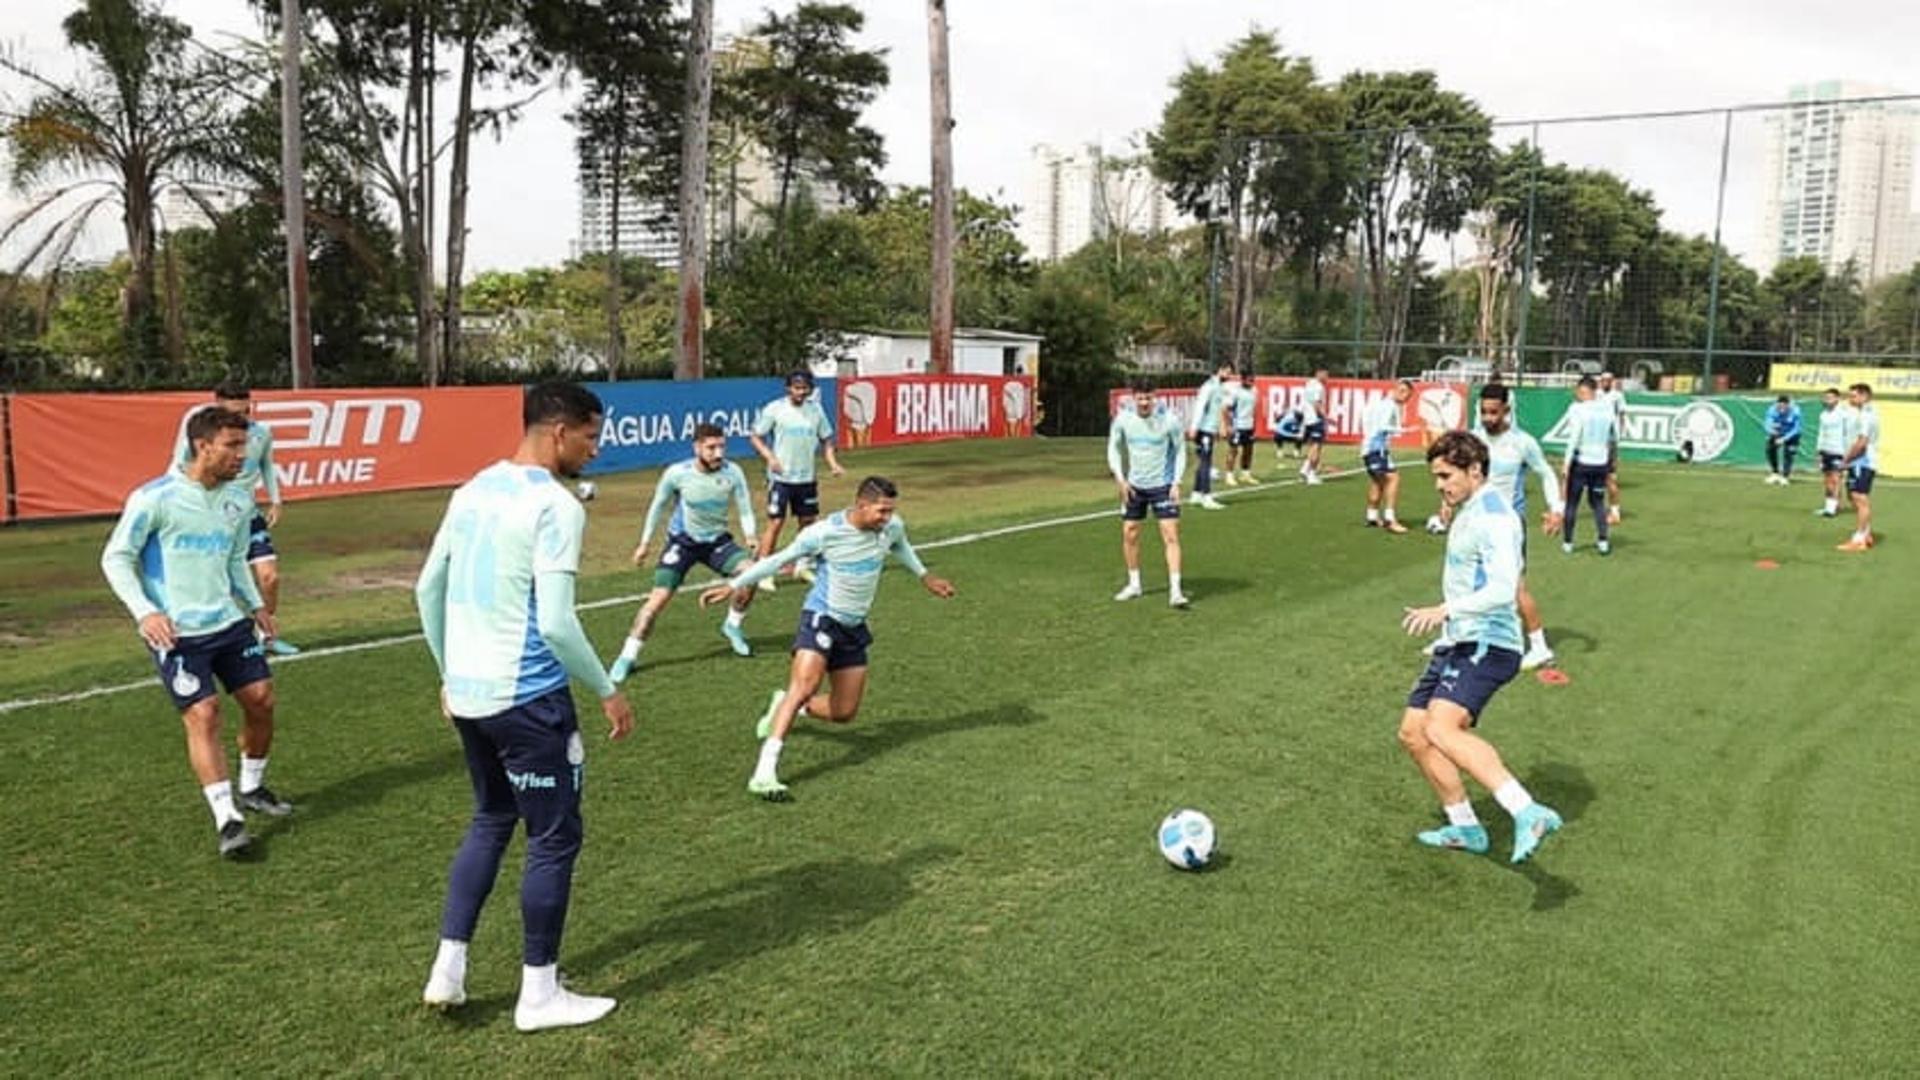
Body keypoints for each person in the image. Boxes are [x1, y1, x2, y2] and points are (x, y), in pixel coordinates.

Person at [415, 381, 635, 1032]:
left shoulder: (473, 489)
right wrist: (608, 688)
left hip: (472, 695)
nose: (595, 450)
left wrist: (448, 674)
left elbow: (428, 589)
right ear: (559, 431)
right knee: (555, 836)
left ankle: (448, 970)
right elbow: (560, 626)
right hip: (529, 699)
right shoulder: (557, 507)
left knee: (490, 818)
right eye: (591, 437)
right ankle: (538, 994)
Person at [102, 406, 286, 859]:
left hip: (228, 623)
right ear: (202, 446)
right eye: (233, 446)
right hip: (177, 634)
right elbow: (115, 558)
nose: (243, 456)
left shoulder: (239, 501)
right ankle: (228, 819)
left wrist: (257, 605)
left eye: (244, 445)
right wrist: (145, 612)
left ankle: (253, 787)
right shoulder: (154, 498)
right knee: (203, 714)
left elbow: (234, 558)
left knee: (261, 702)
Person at [699, 477, 955, 801]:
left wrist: (925, 576)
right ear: (861, 505)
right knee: (804, 685)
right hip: (821, 617)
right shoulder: (824, 533)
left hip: (853, 627)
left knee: (844, 711)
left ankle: (785, 706)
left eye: (891, 511)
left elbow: (900, 544)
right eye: (881, 511)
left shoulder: (890, 528)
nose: (887, 518)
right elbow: (778, 560)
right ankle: (765, 772)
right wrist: (735, 585)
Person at [1396, 430, 1564, 864]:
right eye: (1435, 476)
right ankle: (1467, 828)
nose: (1439, 485)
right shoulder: (1469, 506)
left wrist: (1446, 609)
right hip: (1459, 641)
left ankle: (1526, 810)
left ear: (1475, 470)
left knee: (1442, 729)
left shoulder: (1495, 516)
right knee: (1415, 734)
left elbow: (1505, 589)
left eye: (1446, 475)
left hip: (1488, 642)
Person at [609, 424, 760, 681]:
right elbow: (657, 507)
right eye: (711, 447)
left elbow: (744, 507)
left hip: (716, 543)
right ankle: (628, 655)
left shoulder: (733, 472)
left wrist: (750, 534)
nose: (718, 453)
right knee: (655, 603)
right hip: (682, 544)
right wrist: (644, 543)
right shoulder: (677, 474)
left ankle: (732, 625)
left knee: (751, 575)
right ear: (697, 448)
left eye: (722, 446)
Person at [172, 382, 299, 655]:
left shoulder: (261, 433)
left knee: (270, 577)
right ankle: (223, 640)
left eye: (247, 409)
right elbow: (177, 465)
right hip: (213, 517)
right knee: (221, 580)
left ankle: (267, 635)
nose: (244, 417)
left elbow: (266, 463)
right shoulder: (200, 431)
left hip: (246, 514)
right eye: (236, 411)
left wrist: (276, 499)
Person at [1472, 383, 1564, 670]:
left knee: (1514, 586)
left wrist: (1556, 509)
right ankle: (1456, 638)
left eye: (1493, 412)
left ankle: (1540, 647)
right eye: (1484, 412)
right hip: (1476, 522)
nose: (1488, 418)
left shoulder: (1522, 442)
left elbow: (1546, 473)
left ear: (1507, 411)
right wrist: (1448, 505)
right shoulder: (1473, 439)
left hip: (1508, 526)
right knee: (1466, 579)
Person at [748, 370, 844, 590]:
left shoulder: (816, 410)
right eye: (797, 388)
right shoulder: (775, 409)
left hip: (806, 478)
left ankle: (802, 566)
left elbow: (827, 438)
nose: (801, 392)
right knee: (776, 523)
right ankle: (764, 571)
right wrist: (770, 457)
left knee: (808, 523)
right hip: (781, 478)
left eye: (805, 388)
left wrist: (832, 464)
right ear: (788, 388)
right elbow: (755, 435)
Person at [1107, 383, 1190, 607]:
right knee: (1130, 533)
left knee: (1170, 533)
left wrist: (1176, 482)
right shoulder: (1124, 419)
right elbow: (1113, 447)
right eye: (1141, 398)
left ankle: (1176, 591)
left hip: (1162, 485)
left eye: (1149, 398)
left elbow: (1181, 450)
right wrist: (1120, 478)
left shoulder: (1169, 420)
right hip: (1134, 486)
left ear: (1155, 398)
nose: (1144, 403)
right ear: (1134, 398)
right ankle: (1134, 584)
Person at [1560, 376, 1616, 555]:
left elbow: (1574, 437)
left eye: (1580, 391)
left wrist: (1566, 463)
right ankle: (1603, 540)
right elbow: (1614, 437)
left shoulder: (1577, 409)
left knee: (1572, 503)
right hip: (1601, 463)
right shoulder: (1607, 409)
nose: (1578, 394)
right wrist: (1612, 460)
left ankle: (1568, 542)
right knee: (1598, 502)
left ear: (1588, 391)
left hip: (1582, 461)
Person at [1360, 379, 1413, 533]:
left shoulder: (1380, 404)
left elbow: (1367, 420)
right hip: (1376, 448)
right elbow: (1383, 426)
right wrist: (1404, 430)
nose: (1406, 400)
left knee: (1378, 482)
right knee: (1393, 478)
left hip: (1374, 447)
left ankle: (1372, 516)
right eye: (1407, 396)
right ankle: (1390, 519)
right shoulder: (1389, 406)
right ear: (1400, 391)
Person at [1837, 382, 1881, 552]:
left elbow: (1862, 442)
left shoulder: (1866, 415)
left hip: (1864, 461)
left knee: (1859, 498)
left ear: (1865, 396)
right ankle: (1866, 533)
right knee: (1853, 496)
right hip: (1861, 461)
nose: (1850, 399)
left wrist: (1845, 460)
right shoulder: (1869, 412)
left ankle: (1859, 539)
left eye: (1854, 395)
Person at [1186, 361, 1233, 509]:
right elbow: (1200, 407)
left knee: (1204, 461)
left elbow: (1218, 410)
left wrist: (1220, 428)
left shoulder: (1219, 387)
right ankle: (1207, 496)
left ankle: (1196, 493)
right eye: (1228, 372)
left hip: (1210, 429)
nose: (1230, 376)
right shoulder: (1209, 387)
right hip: (1203, 429)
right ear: (1220, 370)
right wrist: (1194, 427)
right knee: (1206, 462)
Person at [1814, 387, 1851, 518]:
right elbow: (1821, 433)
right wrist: (1818, 452)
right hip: (1826, 450)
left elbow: (1848, 433)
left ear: (1837, 399)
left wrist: (1847, 453)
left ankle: (1832, 508)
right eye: (1825, 398)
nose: (1826, 400)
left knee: (1836, 479)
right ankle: (1829, 505)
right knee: (1827, 479)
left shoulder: (1844, 413)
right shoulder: (1823, 415)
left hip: (1839, 451)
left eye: (1830, 398)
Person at [1595, 371, 1626, 523]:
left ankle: (1614, 511)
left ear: (1612, 381)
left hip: (1609, 439)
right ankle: (1611, 511)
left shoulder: (1617, 396)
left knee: (1610, 476)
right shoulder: (1597, 394)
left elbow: (1622, 414)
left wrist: (1621, 431)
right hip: (1598, 439)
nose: (1605, 383)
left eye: (1608, 380)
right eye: (1603, 380)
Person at [1224, 368, 1258, 486]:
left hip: (1249, 426)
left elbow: (1254, 410)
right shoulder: (1235, 392)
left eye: (1253, 378)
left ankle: (1245, 474)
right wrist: (1228, 426)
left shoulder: (1254, 391)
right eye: (1249, 378)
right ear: (1243, 379)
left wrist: (1254, 425)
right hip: (1237, 426)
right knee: (1233, 451)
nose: (1252, 380)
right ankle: (1229, 475)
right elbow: (1226, 409)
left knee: (1248, 450)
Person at [1763, 394, 1804, 486]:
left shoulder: (1796, 411)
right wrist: (1772, 431)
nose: (1781, 409)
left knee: (1788, 454)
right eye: (1779, 406)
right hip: (1778, 432)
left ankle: (1785, 476)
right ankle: (1775, 473)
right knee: (1769, 449)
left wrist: (1784, 439)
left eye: (1783, 406)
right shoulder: (1772, 409)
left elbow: (1797, 428)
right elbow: (1767, 423)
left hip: (1792, 435)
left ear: (1788, 405)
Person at [1300, 366, 1330, 485]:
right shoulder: (1318, 387)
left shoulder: (1309, 383)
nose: (1327, 378)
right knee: (1317, 447)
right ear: (1319, 373)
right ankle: (1311, 473)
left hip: (1308, 419)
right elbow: (1317, 405)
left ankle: (1305, 467)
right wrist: (1325, 417)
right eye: (1326, 374)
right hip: (1315, 419)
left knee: (1313, 446)